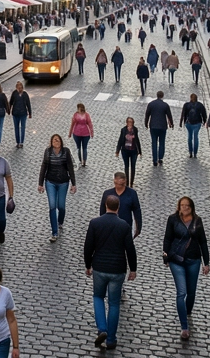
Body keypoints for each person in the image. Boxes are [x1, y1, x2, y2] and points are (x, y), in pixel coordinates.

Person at [84, 195, 138, 350]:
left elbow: (88, 247)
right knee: (114, 304)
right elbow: (130, 250)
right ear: (118, 207)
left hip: (100, 268)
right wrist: (133, 269)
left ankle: (102, 329)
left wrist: (88, 265)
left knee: (98, 297)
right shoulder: (124, 225)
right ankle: (112, 339)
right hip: (117, 269)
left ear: (105, 205)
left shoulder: (95, 223)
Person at [163, 196, 210, 341]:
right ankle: (184, 327)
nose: (184, 208)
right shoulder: (172, 219)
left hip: (193, 260)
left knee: (191, 293)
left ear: (191, 207)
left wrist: (206, 262)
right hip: (176, 259)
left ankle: (187, 311)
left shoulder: (197, 221)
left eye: (187, 206)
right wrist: (165, 256)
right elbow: (167, 238)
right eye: (182, 205)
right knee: (181, 292)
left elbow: (203, 242)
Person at [38, 134, 78, 243]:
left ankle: (60, 221)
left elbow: (70, 167)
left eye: (58, 140)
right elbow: (44, 167)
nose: (56, 141)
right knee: (52, 206)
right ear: (51, 142)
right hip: (50, 182)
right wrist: (40, 183)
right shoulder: (48, 152)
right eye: (54, 140)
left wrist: (73, 184)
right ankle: (54, 232)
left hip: (63, 182)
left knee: (61, 206)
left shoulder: (66, 151)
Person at [145, 91, 174, 167]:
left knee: (154, 143)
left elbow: (147, 114)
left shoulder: (151, 104)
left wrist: (146, 123)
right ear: (162, 96)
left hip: (153, 126)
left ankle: (154, 160)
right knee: (162, 142)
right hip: (162, 126)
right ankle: (160, 158)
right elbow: (169, 116)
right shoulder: (165, 105)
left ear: (157, 95)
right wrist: (171, 123)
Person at [180, 93, 208, 158]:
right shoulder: (200, 105)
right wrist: (204, 121)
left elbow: (183, 114)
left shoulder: (186, 105)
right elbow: (204, 114)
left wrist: (181, 122)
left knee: (189, 137)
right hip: (197, 123)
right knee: (196, 137)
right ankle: (195, 153)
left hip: (188, 123)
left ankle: (190, 152)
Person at [116, 117, 142, 186]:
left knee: (133, 166)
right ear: (126, 123)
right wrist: (117, 150)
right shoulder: (123, 130)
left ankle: (131, 183)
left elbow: (137, 140)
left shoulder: (135, 130)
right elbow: (120, 140)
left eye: (131, 122)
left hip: (134, 151)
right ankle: (127, 182)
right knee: (126, 166)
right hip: (125, 150)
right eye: (129, 122)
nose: (130, 124)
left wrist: (140, 151)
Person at [9, 82, 32, 148]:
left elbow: (28, 104)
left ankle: (21, 142)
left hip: (23, 113)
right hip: (15, 113)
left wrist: (30, 113)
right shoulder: (14, 93)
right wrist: (9, 110)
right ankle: (17, 142)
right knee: (16, 128)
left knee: (22, 128)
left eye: (21, 88)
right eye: (18, 88)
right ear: (16, 88)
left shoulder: (25, 94)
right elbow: (11, 102)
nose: (20, 89)